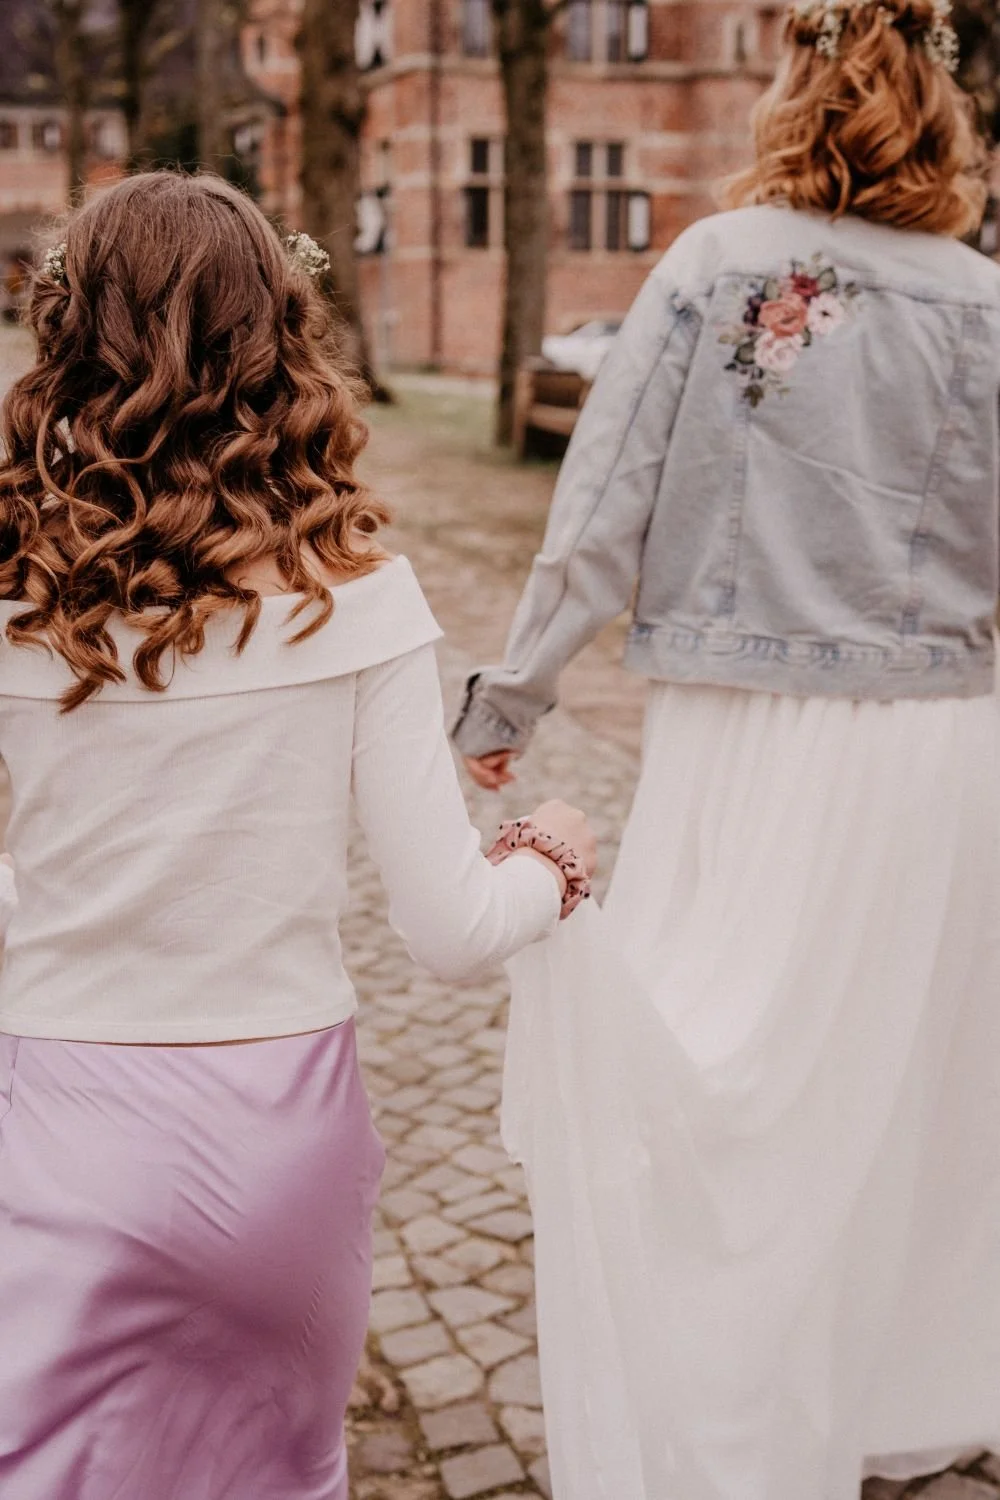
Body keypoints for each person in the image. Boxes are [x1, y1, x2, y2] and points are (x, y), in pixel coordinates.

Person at [453, 3, 1000, 1497]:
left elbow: (606, 495)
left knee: (717, 1050)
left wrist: (513, 698)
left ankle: (727, 1415)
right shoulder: (983, 300)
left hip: (748, 732)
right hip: (943, 748)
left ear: (790, 95)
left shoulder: (715, 263)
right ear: (940, 122)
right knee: (885, 1086)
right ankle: (865, 1385)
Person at [0, 171, 595, 1500]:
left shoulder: (15, 600)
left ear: (69, 338)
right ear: (278, 339)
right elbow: (448, 931)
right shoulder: (363, 600)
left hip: (55, 1130)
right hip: (280, 1145)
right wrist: (546, 852)